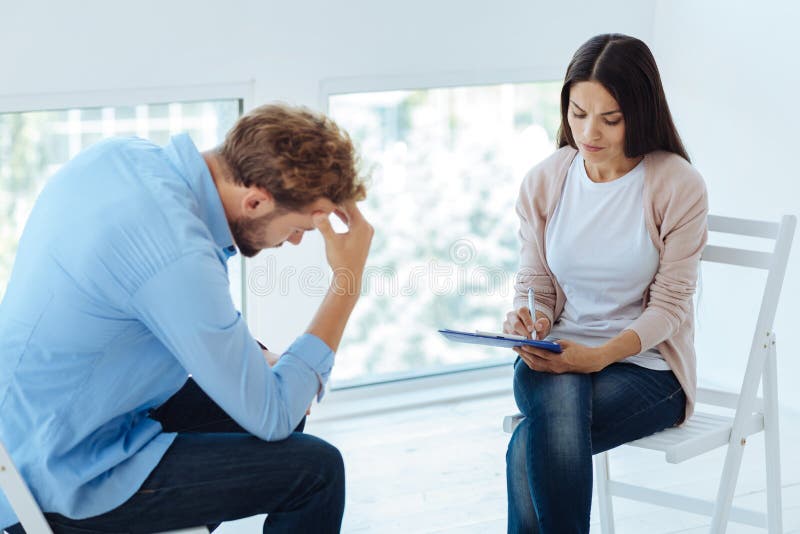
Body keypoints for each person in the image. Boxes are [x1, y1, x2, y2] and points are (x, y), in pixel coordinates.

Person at [0, 103, 373, 533]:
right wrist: (347, 282)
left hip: (35, 427)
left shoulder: (123, 159)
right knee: (317, 471)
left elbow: (155, 305)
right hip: (56, 475)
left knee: (286, 405)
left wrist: (259, 360)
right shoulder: (178, 250)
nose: (293, 241)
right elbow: (271, 414)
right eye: (299, 228)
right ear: (255, 201)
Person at [503, 34, 708, 533]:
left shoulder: (676, 184)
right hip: (556, 353)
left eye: (609, 118)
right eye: (577, 113)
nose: (589, 132)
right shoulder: (545, 180)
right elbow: (536, 282)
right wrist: (530, 316)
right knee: (556, 400)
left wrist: (597, 356)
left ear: (639, 112)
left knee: (530, 441)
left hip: (647, 370)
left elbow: (671, 307)